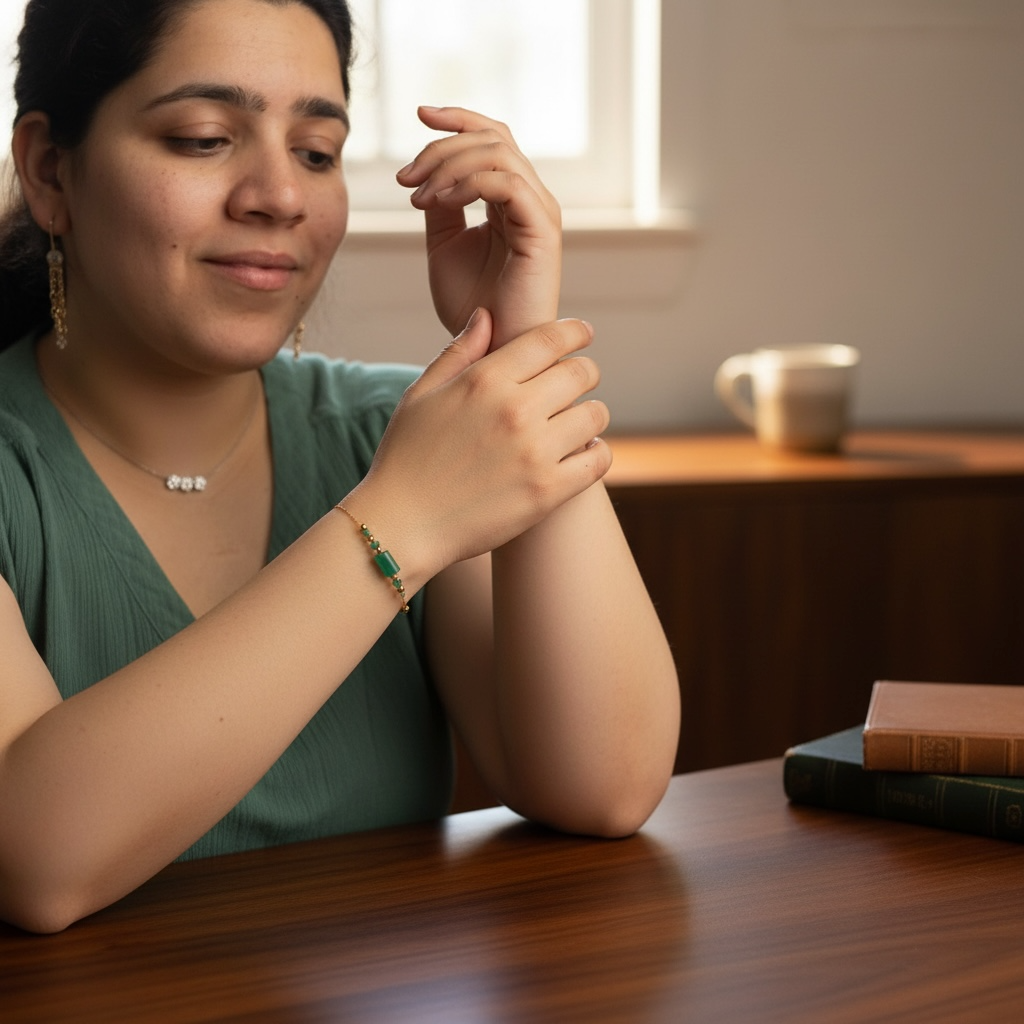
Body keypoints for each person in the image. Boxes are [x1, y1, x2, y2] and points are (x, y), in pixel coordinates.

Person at [0, 0, 680, 934]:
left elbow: (602, 787)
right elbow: (35, 856)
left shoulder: (392, 434)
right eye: (203, 138)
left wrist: (516, 354)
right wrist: (397, 520)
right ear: (49, 170)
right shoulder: (415, 477)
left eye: (317, 151)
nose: (279, 195)